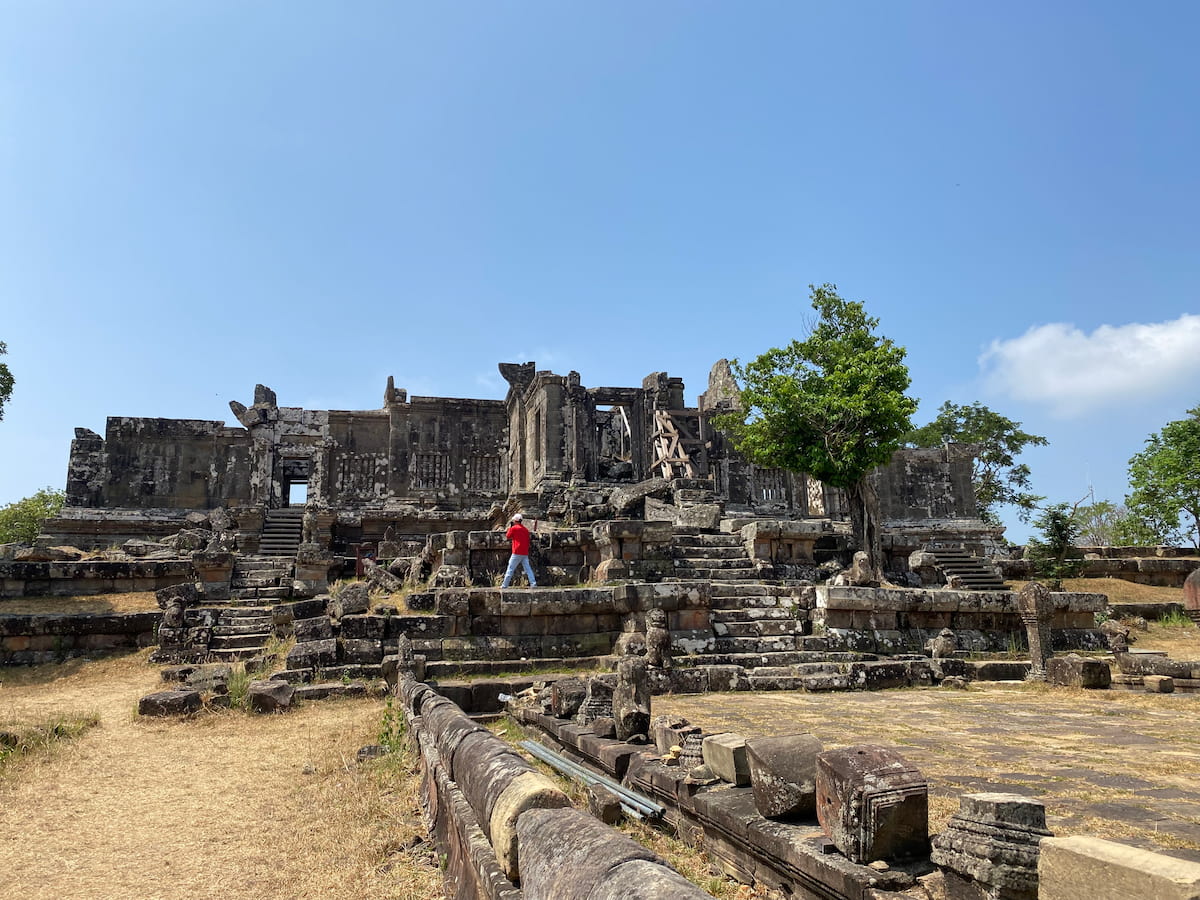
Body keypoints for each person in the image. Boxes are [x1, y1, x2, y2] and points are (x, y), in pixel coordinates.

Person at [501, 513, 537, 588]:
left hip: (516, 552)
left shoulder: (514, 528)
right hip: (524, 552)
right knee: (528, 569)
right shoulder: (525, 530)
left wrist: (511, 527)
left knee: (510, 568)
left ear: (515, 521)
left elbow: (508, 536)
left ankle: (504, 585)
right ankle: (533, 583)